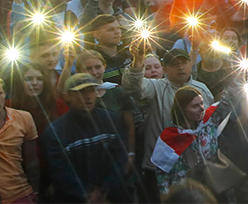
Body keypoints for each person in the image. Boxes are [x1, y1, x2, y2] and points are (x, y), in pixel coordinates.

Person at [123, 45, 214, 201]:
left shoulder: (202, 89)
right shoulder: (156, 87)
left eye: (184, 62)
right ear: (164, 68)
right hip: (163, 165)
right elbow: (133, 88)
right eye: (174, 64)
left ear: (190, 64)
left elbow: (210, 125)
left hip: (198, 165)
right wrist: (138, 60)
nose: (180, 67)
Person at [41, 73, 134, 203]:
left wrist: (104, 191)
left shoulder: (111, 120)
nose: (88, 96)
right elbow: (61, 172)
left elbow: (120, 158)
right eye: (81, 92)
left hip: (111, 198)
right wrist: (86, 195)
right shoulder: (55, 132)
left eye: (91, 90)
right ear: (67, 96)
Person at [153, 85, 242, 197]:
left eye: (201, 103)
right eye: (195, 106)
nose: (201, 108)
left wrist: (238, 78)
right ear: (182, 109)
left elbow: (230, 100)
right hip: (188, 194)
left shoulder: (209, 121)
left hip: (215, 186)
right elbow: (162, 173)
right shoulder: (170, 137)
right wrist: (166, 197)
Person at [0, 77, 40, 204]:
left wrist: (35, 191)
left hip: (19, 193)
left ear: (5, 93)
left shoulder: (23, 118)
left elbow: (32, 161)